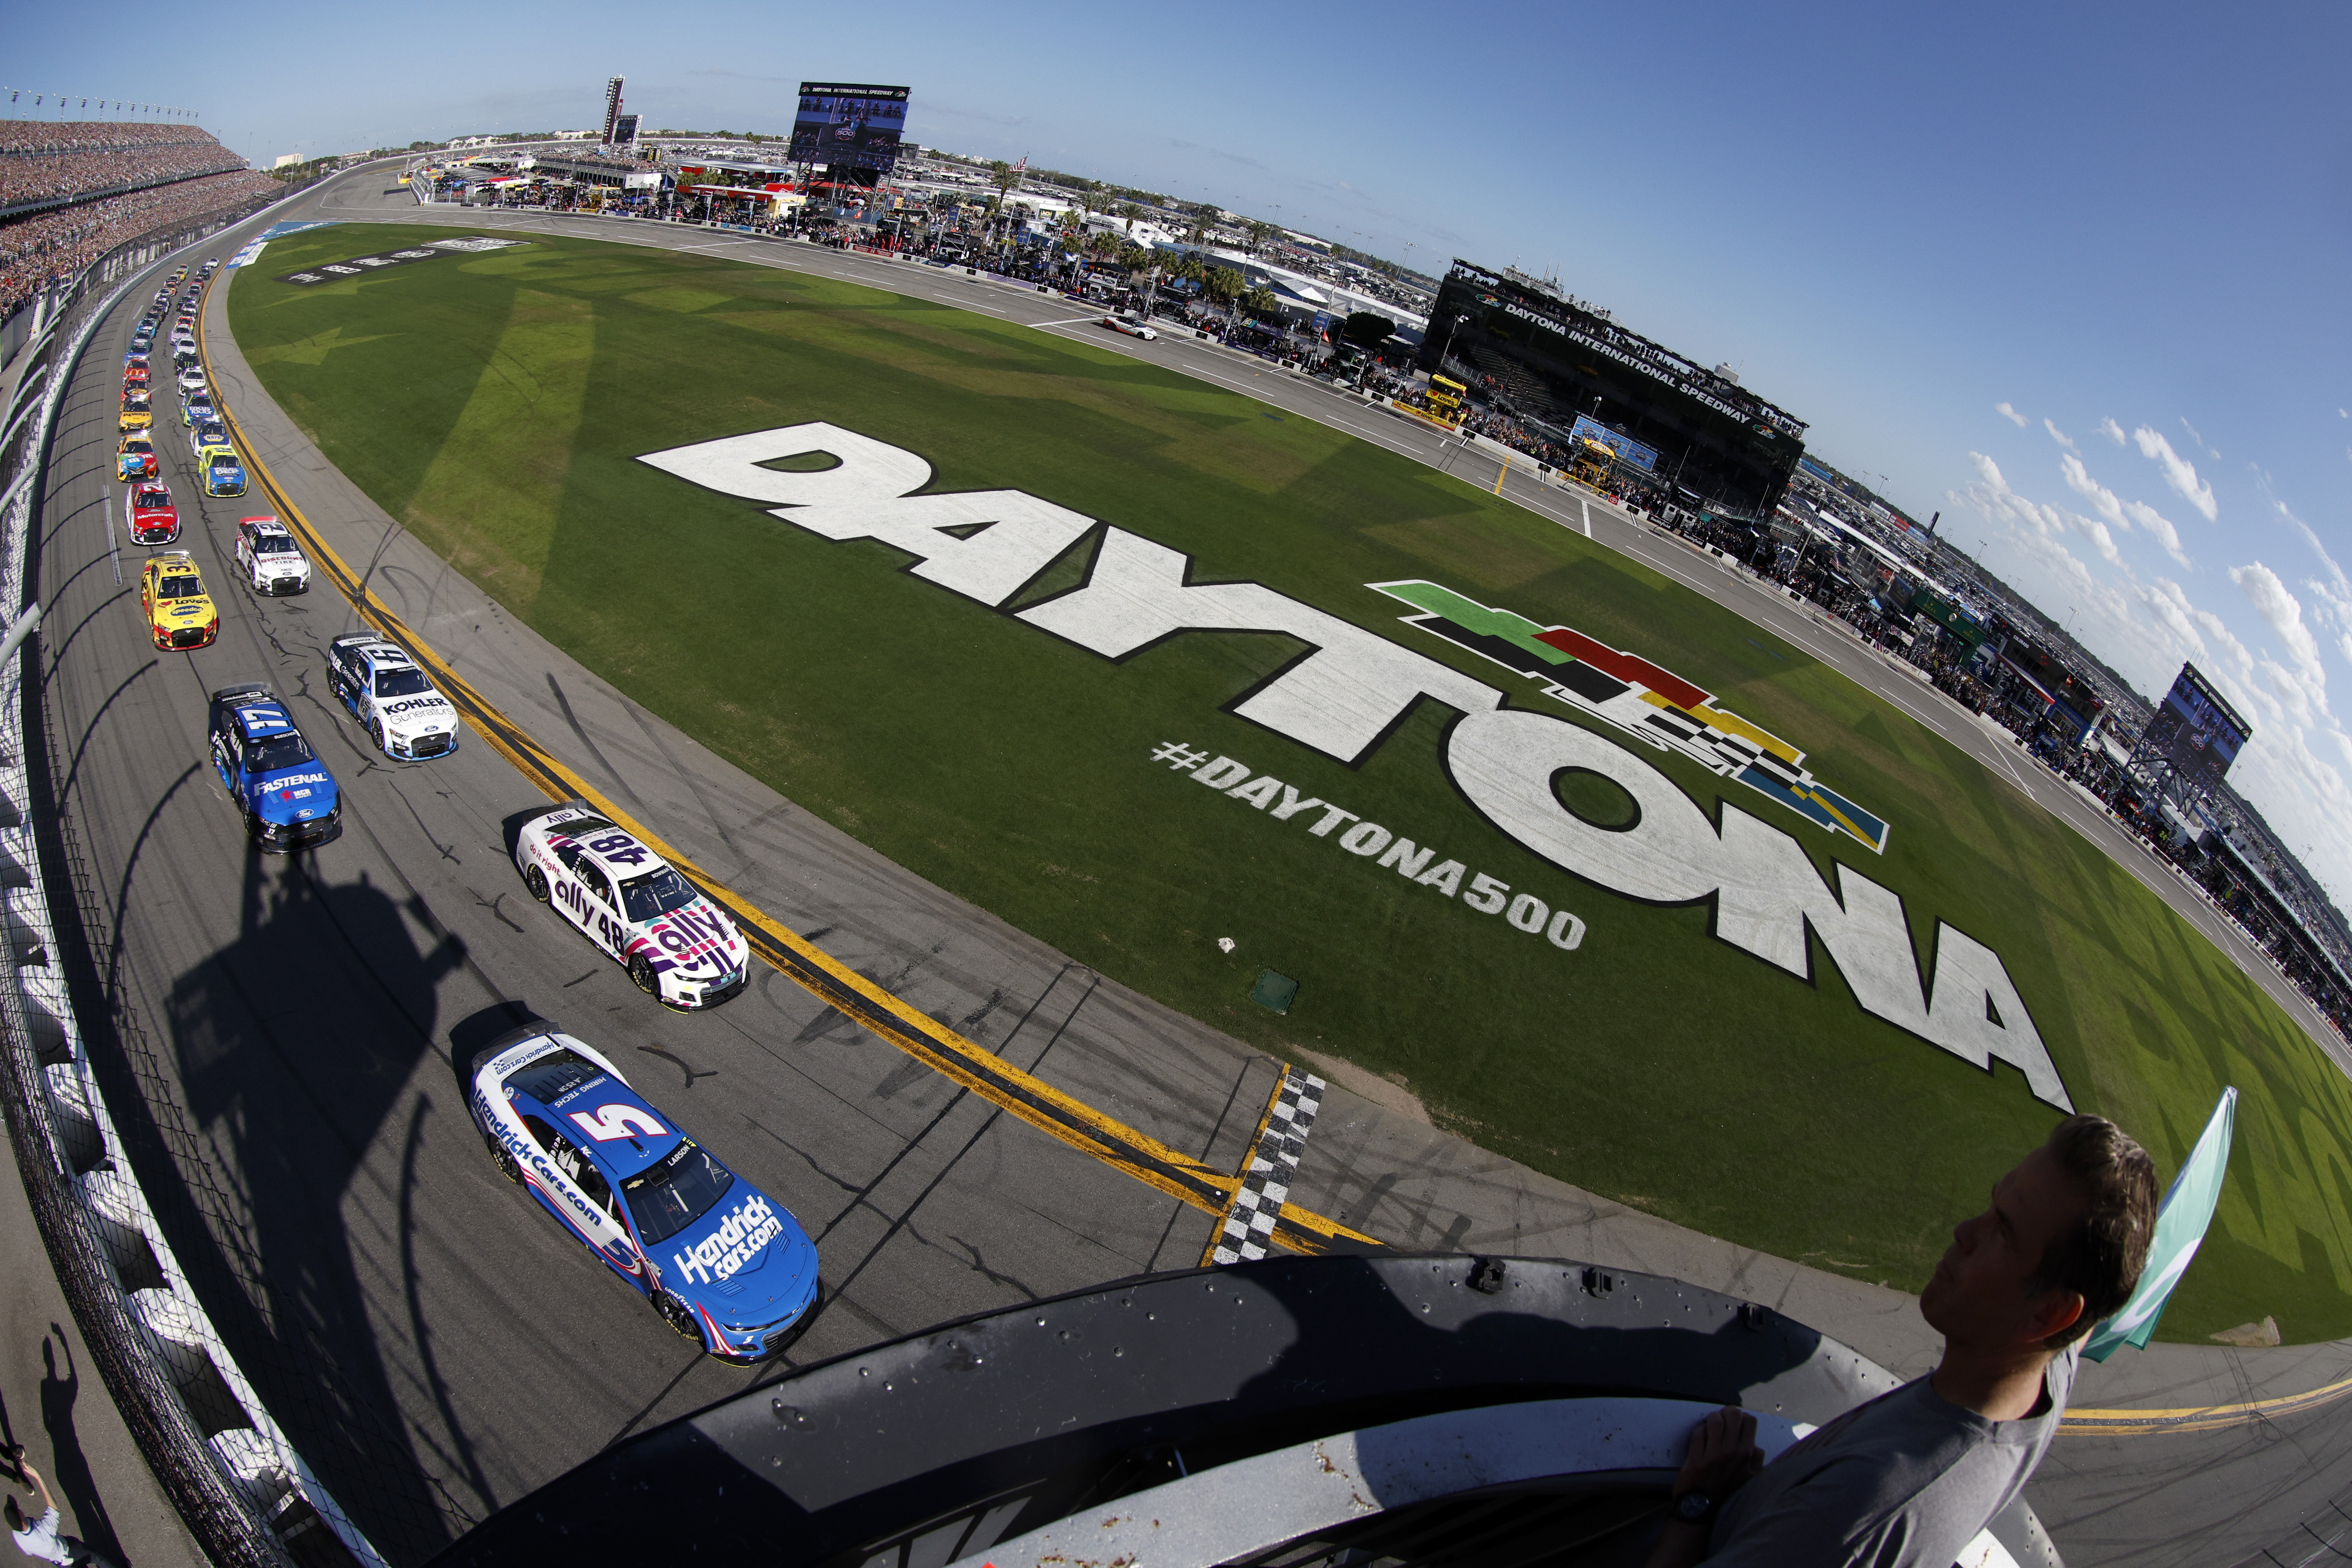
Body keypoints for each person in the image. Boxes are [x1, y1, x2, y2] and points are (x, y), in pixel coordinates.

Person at [1644, 1114, 2158, 1568]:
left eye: (2003, 1231)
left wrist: (1698, 1508)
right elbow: (2085, 1324)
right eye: (1992, 1206)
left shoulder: (1853, 1518)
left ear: (2047, 1312)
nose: (1964, 1231)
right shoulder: (2047, 1369)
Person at [4, 1451, 119, 1567]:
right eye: (18, 1510)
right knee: (96, 1558)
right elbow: (54, 1509)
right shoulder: (44, 1532)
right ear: (22, 1521)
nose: (20, 1509)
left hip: (62, 1564)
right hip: (71, 1551)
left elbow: (28, 1552)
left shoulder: (17, 1536)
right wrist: (38, 1477)